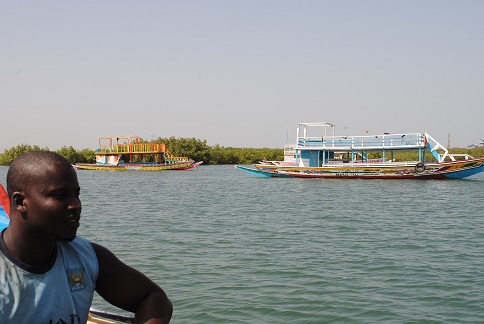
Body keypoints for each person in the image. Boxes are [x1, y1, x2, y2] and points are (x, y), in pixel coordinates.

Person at [0, 151, 173, 323]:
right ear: (20, 202)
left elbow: (154, 298)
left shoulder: (86, 256)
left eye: (76, 194)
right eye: (59, 195)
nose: (75, 205)